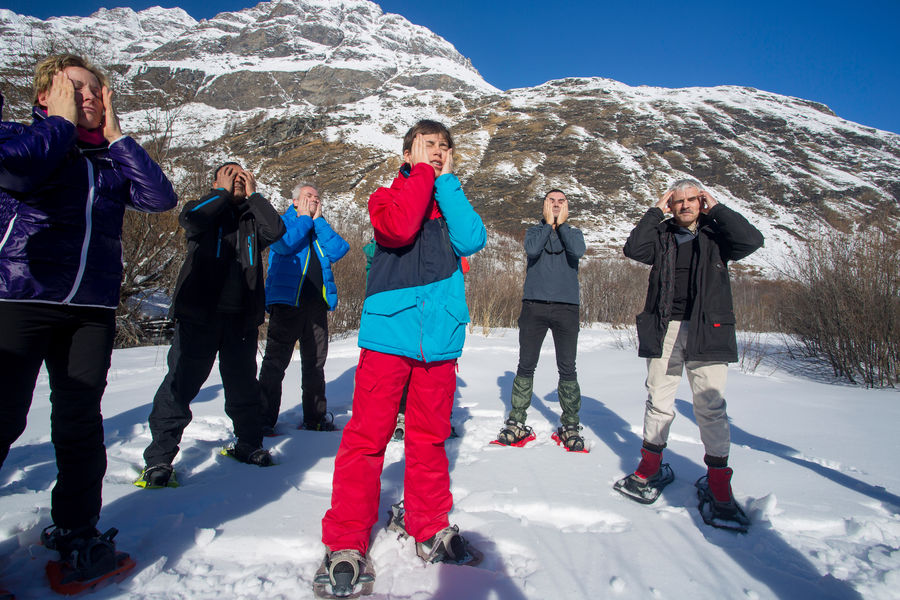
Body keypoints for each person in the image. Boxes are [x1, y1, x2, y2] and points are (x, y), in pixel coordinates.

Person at [0, 54, 177, 577]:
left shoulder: (109, 160)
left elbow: (159, 197)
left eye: (97, 90)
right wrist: (59, 124)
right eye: (76, 88)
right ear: (45, 94)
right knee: (3, 417)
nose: (91, 97)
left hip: (91, 309)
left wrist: (117, 137)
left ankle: (77, 528)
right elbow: (16, 171)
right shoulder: (20, 137)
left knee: (80, 422)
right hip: (19, 296)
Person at [316, 120, 486, 596]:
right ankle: (347, 540)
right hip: (389, 336)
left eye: (444, 146)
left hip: (440, 340)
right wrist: (423, 176)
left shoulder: (450, 203)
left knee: (429, 438)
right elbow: (399, 227)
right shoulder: (385, 197)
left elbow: (472, 239)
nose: (438, 150)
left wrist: (446, 183)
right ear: (408, 153)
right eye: (428, 144)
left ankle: (428, 524)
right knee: (367, 438)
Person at [614, 178, 764, 528]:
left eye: (691, 200)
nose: (684, 206)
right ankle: (649, 468)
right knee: (659, 400)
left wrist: (718, 209)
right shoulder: (662, 235)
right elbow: (633, 249)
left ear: (701, 201)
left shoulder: (717, 234)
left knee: (710, 406)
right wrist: (655, 212)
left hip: (708, 330)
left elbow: (751, 240)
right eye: (677, 201)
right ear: (670, 205)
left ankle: (719, 484)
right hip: (665, 328)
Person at [137, 162, 286, 488]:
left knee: (244, 386)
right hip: (198, 316)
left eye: (241, 174)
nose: (237, 178)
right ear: (216, 180)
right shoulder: (203, 209)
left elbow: (276, 231)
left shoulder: (251, 218)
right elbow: (191, 219)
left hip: (240, 320)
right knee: (180, 385)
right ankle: (159, 459)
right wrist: (220, 192)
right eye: (229, 173)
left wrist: (254, 196)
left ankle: (249, 444)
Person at [494, 190, 587, 451]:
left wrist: (562, 225)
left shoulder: (574, 233)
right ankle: (516, 421)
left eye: (561, 201)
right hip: (534, 306)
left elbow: (577, 251)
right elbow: (533, 249)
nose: (556, 205)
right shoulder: (534, 232)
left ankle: (570, 424)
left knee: (567, 367)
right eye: (551, 201)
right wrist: (548, 225)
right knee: (526, 365)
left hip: (567, 308)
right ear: (543, 206)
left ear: (567, 206)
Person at [258, 183, 349, 434]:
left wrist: (317, 221)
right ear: (295, 201)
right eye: (309, 196)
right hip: (287, 303)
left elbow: (339, 250)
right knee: (275, 363)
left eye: (317, 197)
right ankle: (262, 419)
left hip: (316, 305)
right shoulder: (283, 223)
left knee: (315, 364)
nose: (314, 200)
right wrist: (305, 220)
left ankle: (315, 417)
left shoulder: (318, 226)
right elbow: (283, 244)